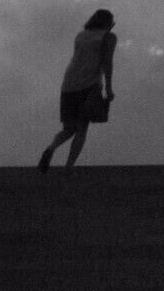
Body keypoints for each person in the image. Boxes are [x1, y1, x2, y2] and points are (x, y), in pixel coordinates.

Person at [38, 9, 116, 171]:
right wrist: (108, 87)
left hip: (68, 84)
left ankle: (51, 148)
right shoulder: (108, 37)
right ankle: (68, 168)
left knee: (69, 128)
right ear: (109, 22)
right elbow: (107, 62)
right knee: (81, 129)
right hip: (89, 85)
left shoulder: (81, 35)